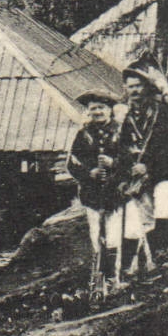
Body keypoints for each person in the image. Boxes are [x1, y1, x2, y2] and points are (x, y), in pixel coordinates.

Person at [121, 58, 168, 269]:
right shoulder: (127, 116)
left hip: (161, 168)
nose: (135, 91)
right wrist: (131, 163)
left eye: (138, 85)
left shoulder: (160, 110)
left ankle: (163, 251)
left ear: (145, 87)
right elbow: (122, 145)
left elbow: (166, 141)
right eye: (131, 87)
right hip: (138, 173)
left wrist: (147, 164)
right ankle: (155, 256)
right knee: (146, 213)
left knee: (165, 205)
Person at [66, 89, 124, 287]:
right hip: (92, 195)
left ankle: (113, 278)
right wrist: (89, 173)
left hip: (115, 193)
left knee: (114, 235)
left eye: (101, 108)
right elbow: (72, 164)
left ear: (110, 110)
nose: (97, 112)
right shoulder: (83, 135)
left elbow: (133, 159)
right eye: (93, 109)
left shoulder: (121, 131)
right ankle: (97, 278)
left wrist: (113, 163)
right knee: (96, 235)